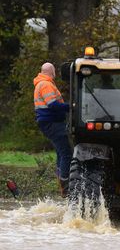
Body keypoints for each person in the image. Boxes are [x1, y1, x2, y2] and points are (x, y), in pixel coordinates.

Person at [34, 62, 72, 196]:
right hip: (52, 122)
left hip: (50, 122)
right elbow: (53, 105)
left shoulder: (43, 83)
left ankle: (61, 182)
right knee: (66, 152)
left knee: (60, 153)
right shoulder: (45, 84)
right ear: (52, 71)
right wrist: (71, 106)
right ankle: (65, 184)